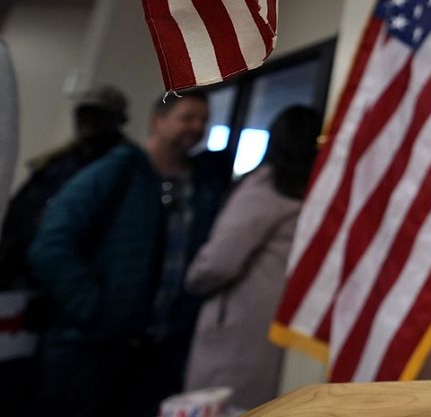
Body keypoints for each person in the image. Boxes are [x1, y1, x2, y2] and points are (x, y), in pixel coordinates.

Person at [26, 91, 226, 417]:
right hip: (90, 348)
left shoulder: (203, 183)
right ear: (157, 121)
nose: (196, 127)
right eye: (187, 118)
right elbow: (50, 245)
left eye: (203, 120)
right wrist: (95, 309)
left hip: (158, 352)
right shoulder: (118, 170)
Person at [184, 105, 321, 411]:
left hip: (238, 331)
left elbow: (220, 261)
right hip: (275, 327)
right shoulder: (313, 191)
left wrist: (193, 280)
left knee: (222, 404)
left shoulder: (265, 186)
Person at [0, 85, 129, 288]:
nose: (89, 121)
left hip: (70, 282)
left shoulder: (123, 171)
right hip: (23, 273)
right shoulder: (58, 160)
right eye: (84, 113)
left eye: (99, 115)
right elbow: (21, 211)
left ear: (118, 121)